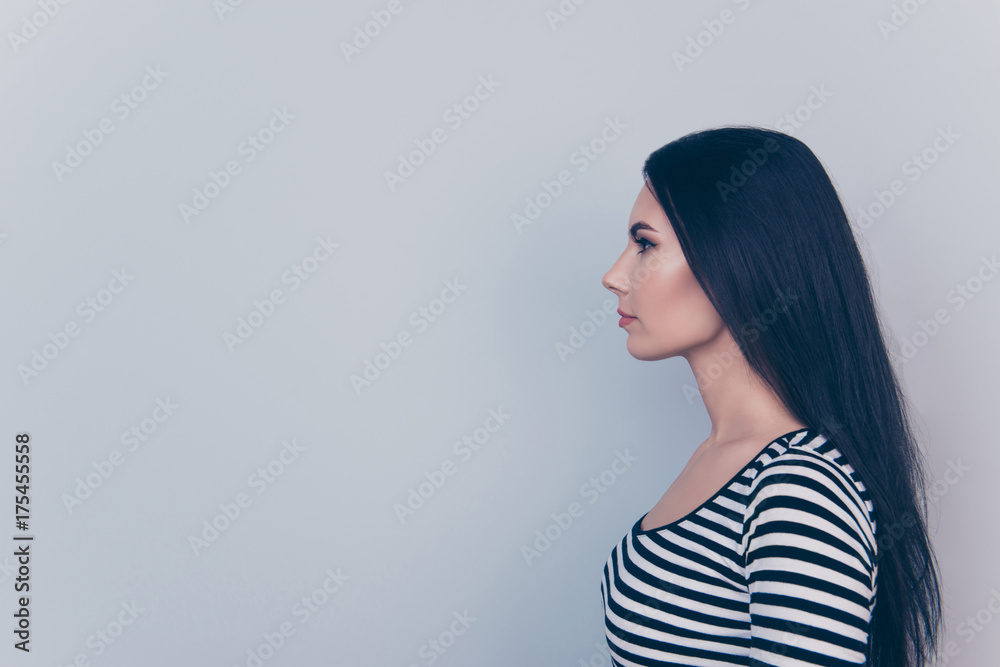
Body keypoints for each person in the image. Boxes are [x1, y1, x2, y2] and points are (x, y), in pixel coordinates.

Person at [599, 126, 942, 666]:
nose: (614, 276)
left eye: (645, 244)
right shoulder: (722, 458)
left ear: (736, 257)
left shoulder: (798, 487)